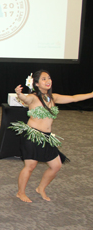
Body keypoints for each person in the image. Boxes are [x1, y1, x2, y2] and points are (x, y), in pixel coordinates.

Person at [10, 70, 93, 203]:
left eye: (49, 78)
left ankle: (41, 188)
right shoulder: (33, 98)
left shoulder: (54, 97)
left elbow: (74, 98)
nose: (48, 81)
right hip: (32, 136)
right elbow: (24, 98)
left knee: (56, 165)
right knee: (30, 166)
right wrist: (19, 93)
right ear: (36, 83)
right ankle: (21, 193)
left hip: (47, 137)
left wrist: (91, 94)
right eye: (43, 79)